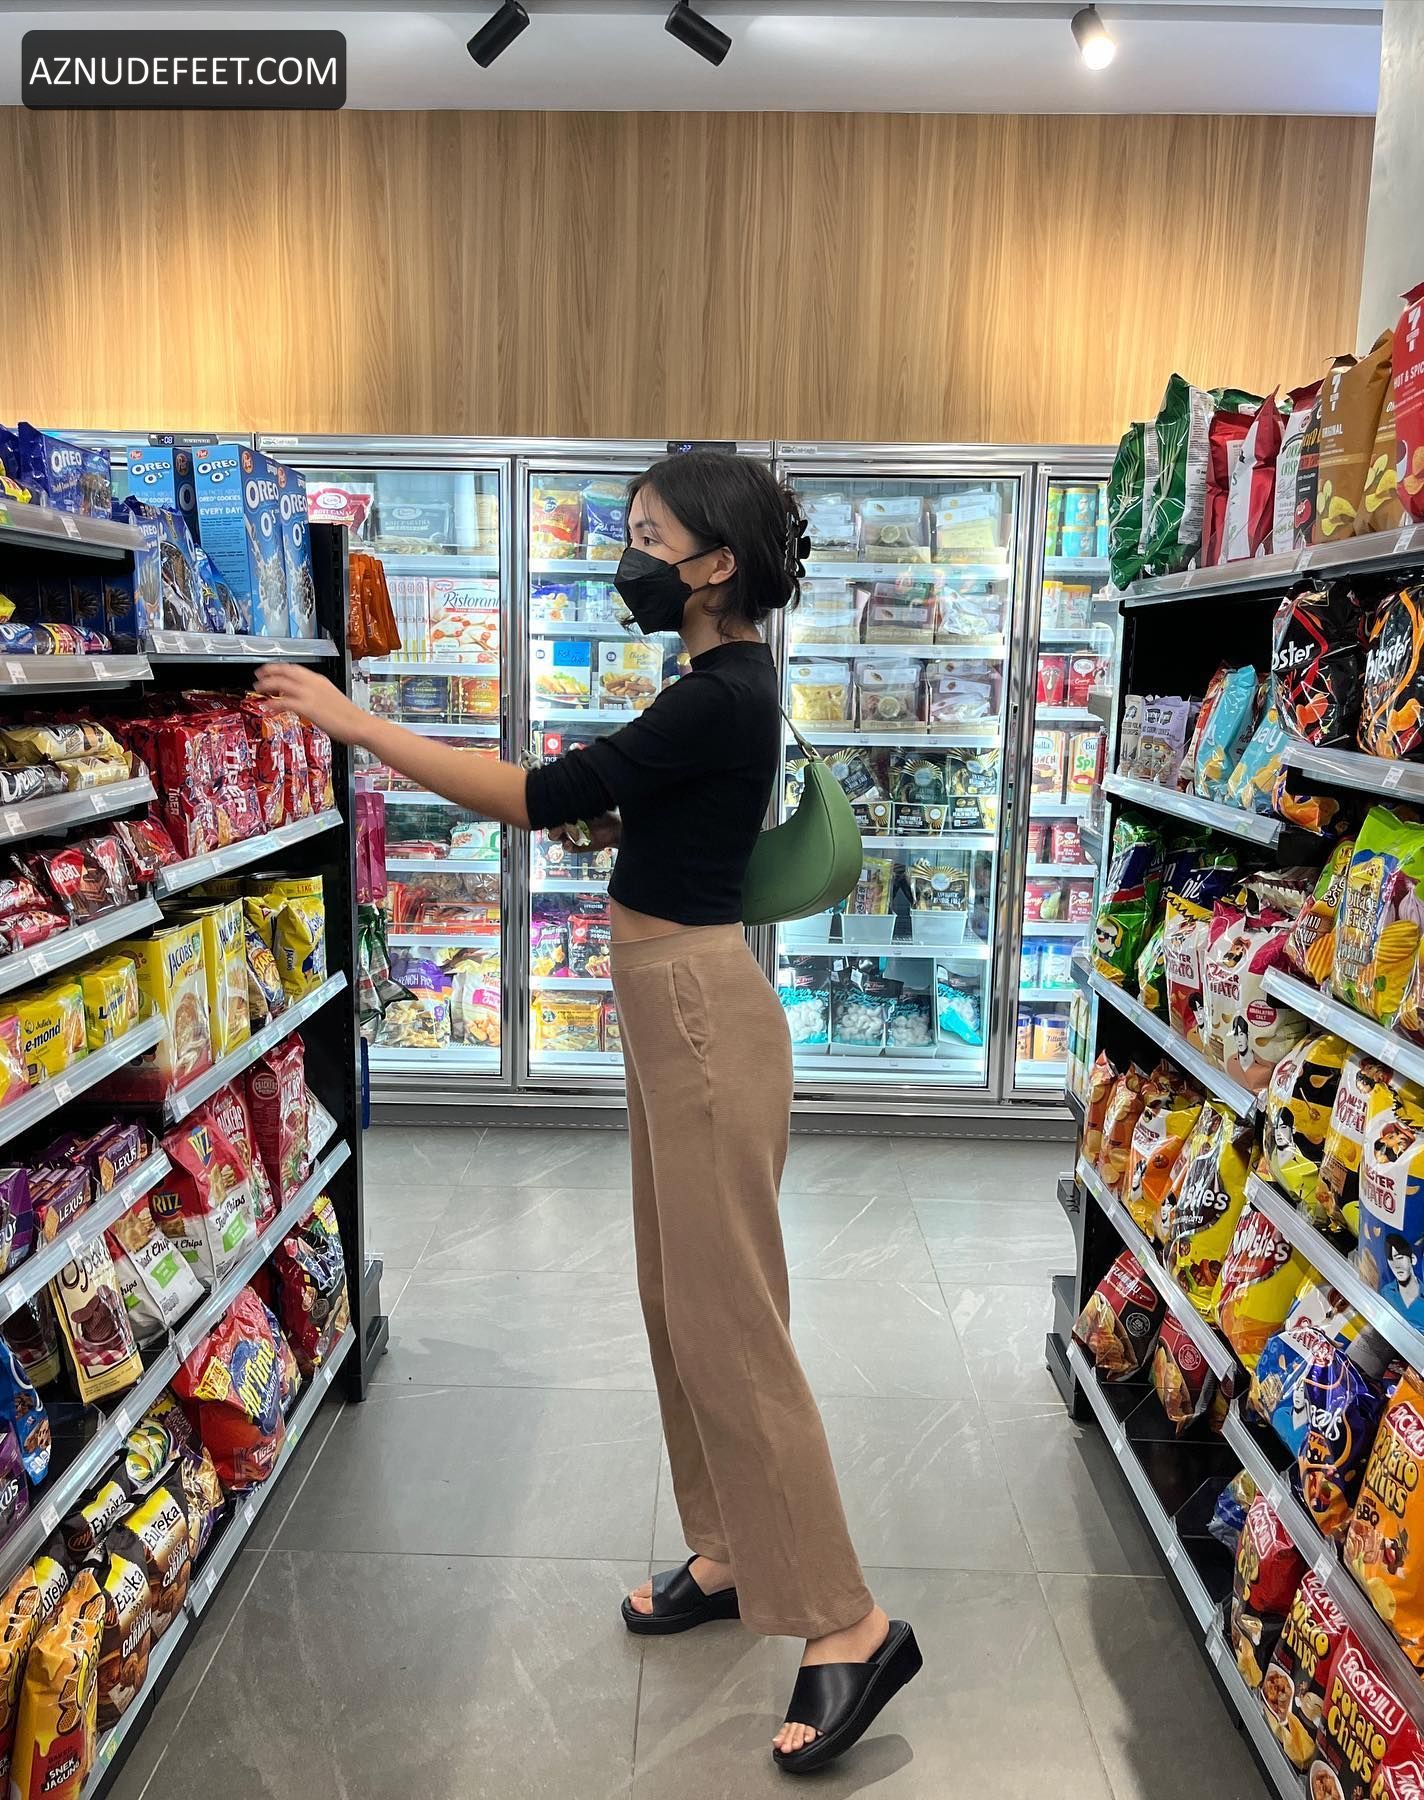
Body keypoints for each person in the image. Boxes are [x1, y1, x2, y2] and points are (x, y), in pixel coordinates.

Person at [255, 453, 921, 1774]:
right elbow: (673, 821)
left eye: (648, 536)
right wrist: (631, 834)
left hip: (702, 1019)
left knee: (734, 1323)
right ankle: (730, 1549)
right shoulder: (719, 688)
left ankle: (849, 1620)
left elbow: (530, 797)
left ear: (715, 564)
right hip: (674, 1012)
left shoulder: (718, 693)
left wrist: (355, 723)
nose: (630, 556)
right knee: (677, 1300)